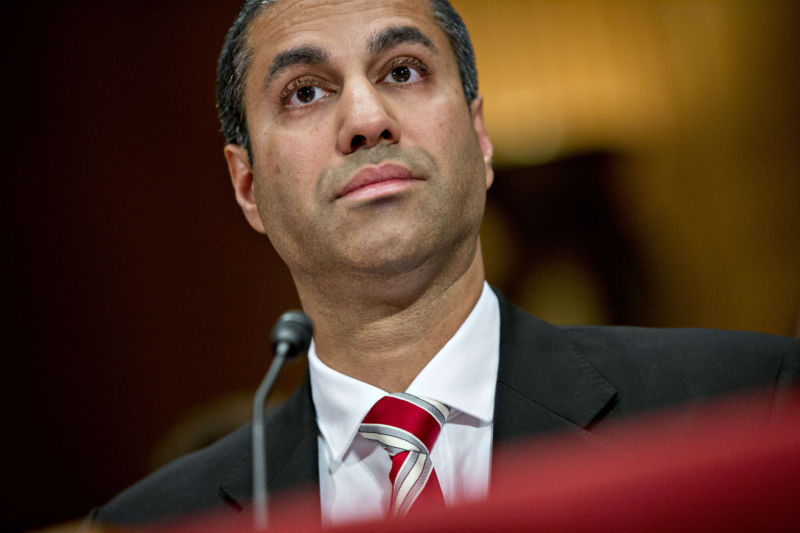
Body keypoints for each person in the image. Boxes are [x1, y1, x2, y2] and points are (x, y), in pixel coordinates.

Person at [91, 0, 799, 528]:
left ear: (481, 137)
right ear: (247, 186)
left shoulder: (747, 405)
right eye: (305, 90)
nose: (366, 118)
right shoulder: (155, 522)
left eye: (402, 70)